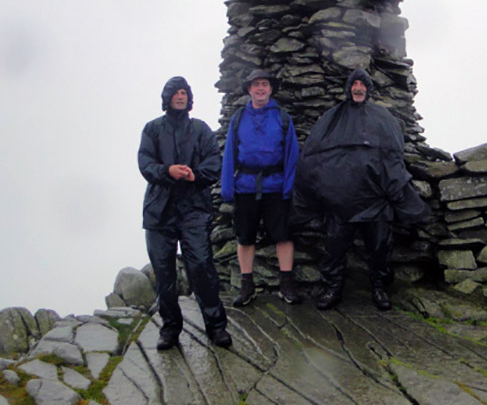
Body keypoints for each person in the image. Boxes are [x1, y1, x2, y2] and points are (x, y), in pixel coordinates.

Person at [294, 68, 428, 311]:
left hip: (375, 200)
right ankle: (332, 288)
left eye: (362, 84)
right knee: (334, 248)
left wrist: (395, 189)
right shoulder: (332, 118)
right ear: (348, 87)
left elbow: (393, 157)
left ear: (368, 88)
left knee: (380, 249)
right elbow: (313, 155)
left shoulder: (383, 118)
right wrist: (323, 190)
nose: (358, 88)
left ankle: (379, 288)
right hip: (340, 201)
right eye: (354, 83)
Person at [137, 76, 231, 350]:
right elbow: (145, 163)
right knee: (164, 274)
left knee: (202, 269)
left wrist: (193, 175)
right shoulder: (152, 129)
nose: (180, 97)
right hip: (159, 213)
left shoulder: (201, 130)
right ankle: (170, 329)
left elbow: (214, 164)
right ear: (167, 97)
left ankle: (216, 327)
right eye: (175, 93)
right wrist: (167, 171)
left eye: (184, 93)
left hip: (194, 211)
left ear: (190, 98)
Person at [221, 69, 301, 306]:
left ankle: (286, 285)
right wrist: (228, 187)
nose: (260, 89)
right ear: (249, 90)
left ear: (271, 89)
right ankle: (247, 286)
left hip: (275, 186)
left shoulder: (283, 118)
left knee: (283, 236)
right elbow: (229, 155)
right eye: (256, 85)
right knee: (245, 237)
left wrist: (288, 188)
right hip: (245, 186)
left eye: (264, 84)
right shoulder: (238, 119)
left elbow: (292, 155)